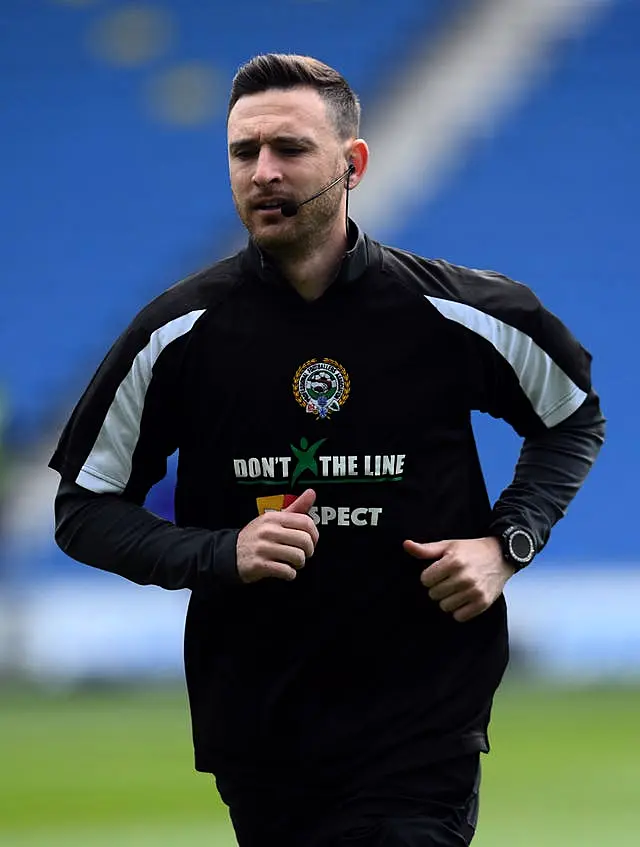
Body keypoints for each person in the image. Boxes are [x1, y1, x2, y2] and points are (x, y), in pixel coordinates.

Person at [50, 54, 605, 847]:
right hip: (259, 726)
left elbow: (573, 418)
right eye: (245, 153)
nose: (264, 172)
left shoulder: (462, 313)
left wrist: (506, 542)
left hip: (423, 722)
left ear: (354, 164)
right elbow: (82, 509)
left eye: (289, 149)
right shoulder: (178, 333)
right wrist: (218, 552)